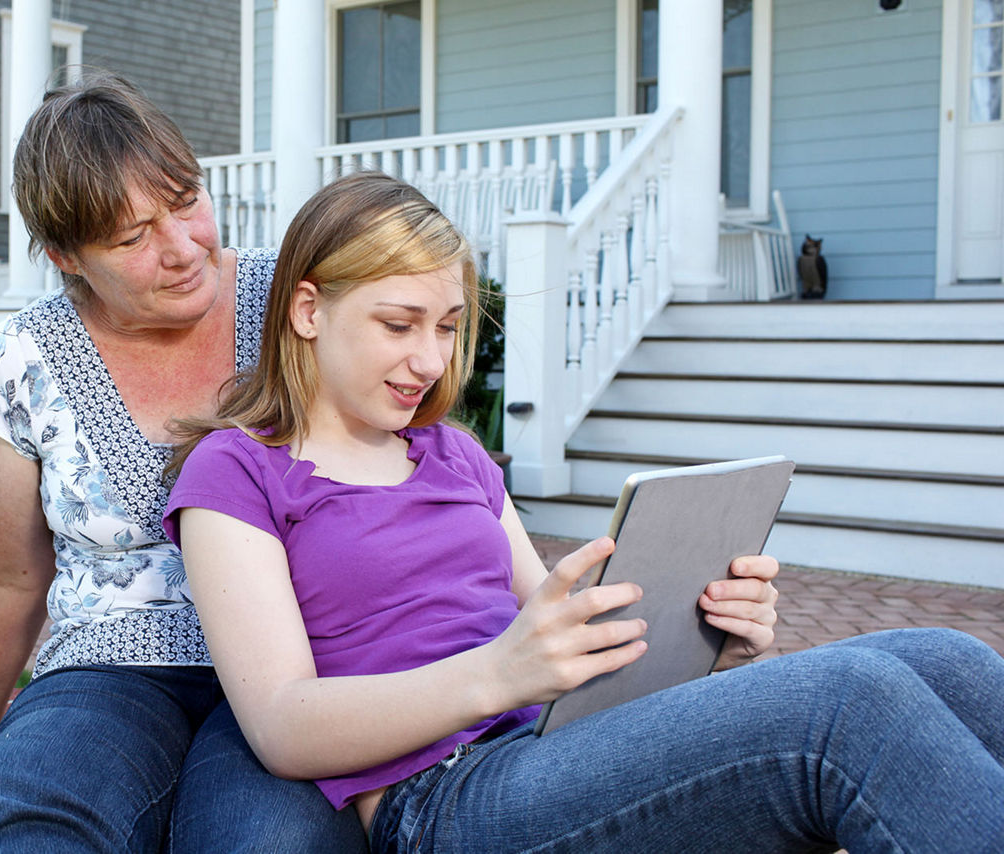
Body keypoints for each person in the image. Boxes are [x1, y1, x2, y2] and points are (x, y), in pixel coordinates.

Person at [164, 171, 1004, 852]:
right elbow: (280, 725)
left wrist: (707, 641)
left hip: (563, 749)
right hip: (447, 796)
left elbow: (561, 632)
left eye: (450, 327)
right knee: (850, 702)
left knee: (949, 661)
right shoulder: (238, 472)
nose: (429, 358)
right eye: (398, 323)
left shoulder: (454, 455)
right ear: (308, 311)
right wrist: (498, 672)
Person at [0, 70, 368, 852]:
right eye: (131, 237)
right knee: (27, 821)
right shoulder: (18, 362)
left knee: (271, 842)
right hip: (107, 673)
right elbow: (8, 570)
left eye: (185, 203)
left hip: (303, 664)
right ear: (62, 255)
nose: (181, 250)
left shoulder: (297, 304)